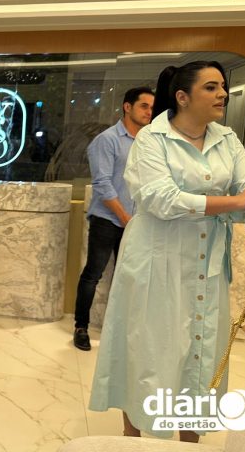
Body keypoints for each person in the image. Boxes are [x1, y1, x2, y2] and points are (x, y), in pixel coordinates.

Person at [89, 61, 245, 442]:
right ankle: (132, 440)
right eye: (211, 87)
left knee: (201, 352)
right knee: (149, 349)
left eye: (222, 86)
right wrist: (235, 201)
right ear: (182, 97)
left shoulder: (227, 139)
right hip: (155, 260)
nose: (222, 94)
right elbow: (161, 199)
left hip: (207, 265)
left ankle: (189, 444)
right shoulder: (152, 138)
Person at [73, 87, 154, 351]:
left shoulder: (148, 143)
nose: (149, 112)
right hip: (107, 220)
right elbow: (102, 184)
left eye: (152, 107)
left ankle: (120, 331)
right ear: (127, 107)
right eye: (144, 106)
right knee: (93, 274)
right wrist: (125, 217)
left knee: (127, 277)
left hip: (135, 221)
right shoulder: (107, 140)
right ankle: (81, 327)